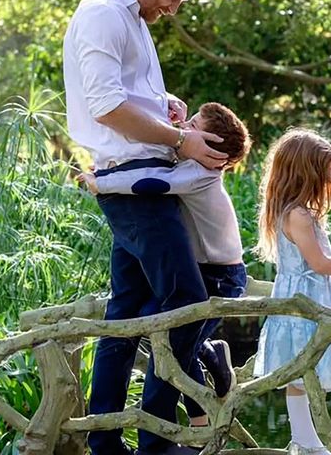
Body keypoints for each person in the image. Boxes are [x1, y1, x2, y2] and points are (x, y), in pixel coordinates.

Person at [63, 0, 226, 455]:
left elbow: (123, 95)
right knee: (188, 303)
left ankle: (105, 442)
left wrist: (163, 104)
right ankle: (157, 438)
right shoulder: (104, 14)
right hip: (134, 184)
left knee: (128, 311)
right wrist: (182, 140)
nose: (174, 9)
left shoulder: (128, 16)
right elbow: (108, 109)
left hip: (139, 177)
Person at [80, 102, 252, 428]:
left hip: (222, 276)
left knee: (175, 344)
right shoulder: (189, 165)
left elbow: (152, 182)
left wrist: (102, 182)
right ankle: (208, 361)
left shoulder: (199, 174)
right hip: (208, 268)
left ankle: (200, 422)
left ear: (212, 148)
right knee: (170, 337)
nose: (184, 128)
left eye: (194, 126)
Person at [251, 129, 331, 455]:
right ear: (309, 174)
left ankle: (307, 440)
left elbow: (327, 262)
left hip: (307, 299)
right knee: (303, 372)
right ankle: (307, 441)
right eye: (328, 173)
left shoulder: (294, 211)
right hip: (305, 305)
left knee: (304, 373)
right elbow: (320, 264)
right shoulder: (298, 215)